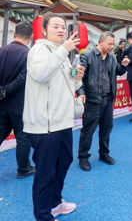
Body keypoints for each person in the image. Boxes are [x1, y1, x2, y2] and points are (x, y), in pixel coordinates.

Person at [23, 13, 85, 221]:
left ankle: (55, 203)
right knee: (45, 172)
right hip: (44, 124)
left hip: (62, 121)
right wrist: (63, 51)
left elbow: (65, 85)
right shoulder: (39, 49)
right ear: (44, 30)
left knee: (64, 161)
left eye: (63, 27)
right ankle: (42, 216)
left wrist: (76, 78)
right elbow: (40, 74)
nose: (60, 30)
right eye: (55, 26)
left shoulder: (61, 53)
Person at [77, 32, 129, 171]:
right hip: (93, 100)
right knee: (88, 130)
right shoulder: (87, 56)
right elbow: (79, 78)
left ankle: (104, 153)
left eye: (113, 44)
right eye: (110, 44)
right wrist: (81, 93)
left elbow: (117, 71)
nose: (112, 47)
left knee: (106, 129)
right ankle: (83, 157)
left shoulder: (112, 57)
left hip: (108, 98)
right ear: (101, 42)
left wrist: (123, 65)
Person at [0, 22, 34, 179]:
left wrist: (2, 91)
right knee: (23, 137)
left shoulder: (2, 50)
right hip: (19, 104)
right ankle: (23, 169)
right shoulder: (29, 54)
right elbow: (23, 78)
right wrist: (6, 90)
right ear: (31, 36)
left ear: (14, 34)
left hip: (2, 103)